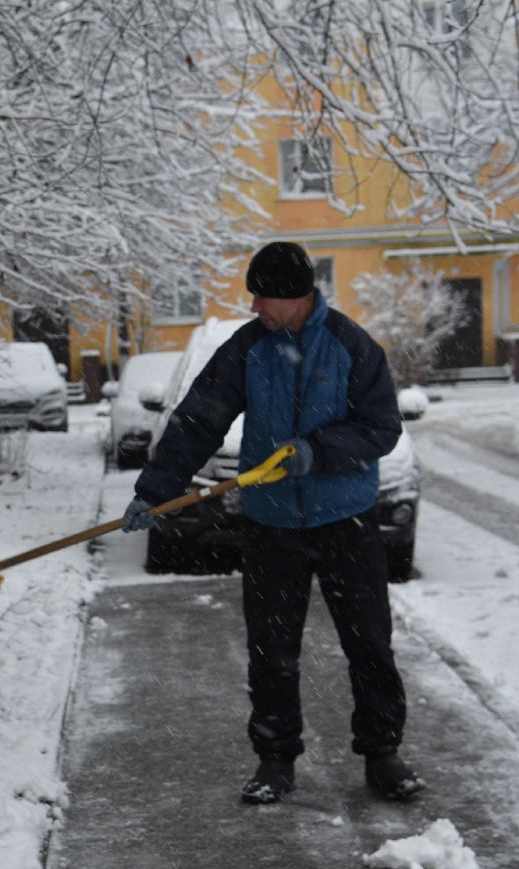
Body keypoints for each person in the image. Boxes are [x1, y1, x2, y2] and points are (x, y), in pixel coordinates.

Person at [122, 240, 423, 805]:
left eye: (262, 296)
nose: (255, 306)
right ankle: (274, 759)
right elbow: (198, 420)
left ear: (294, 296)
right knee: (271, 648)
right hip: (272, 524)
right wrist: (154, 490)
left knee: (370, 646)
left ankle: (383, 754)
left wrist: (319, 450)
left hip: (346, 520)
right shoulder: (248, 348)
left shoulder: (352, 348)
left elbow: (382, 429)